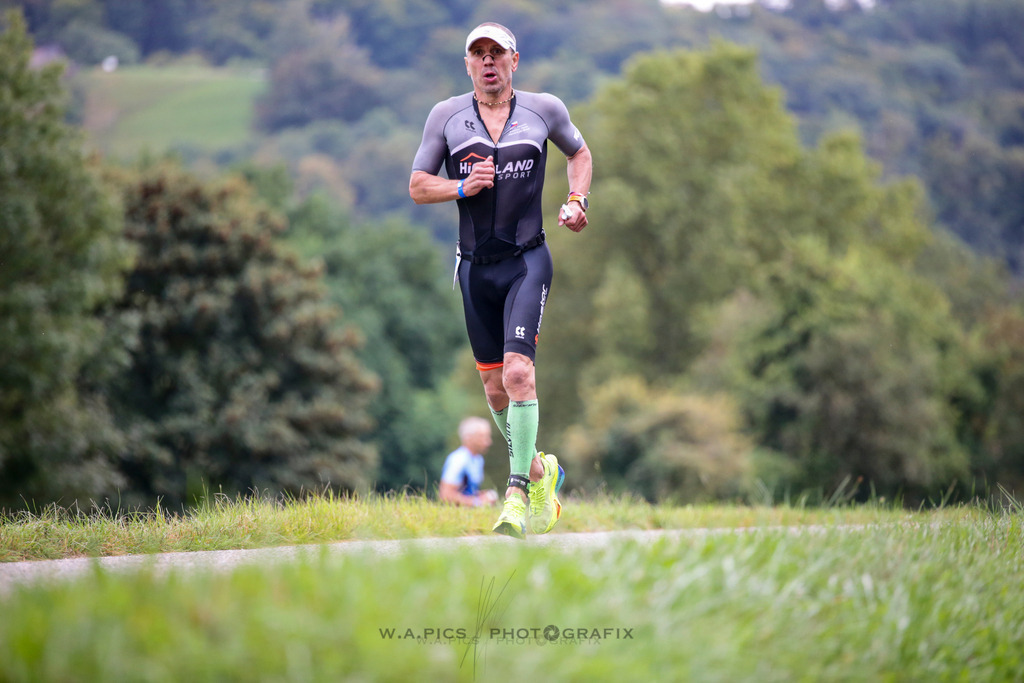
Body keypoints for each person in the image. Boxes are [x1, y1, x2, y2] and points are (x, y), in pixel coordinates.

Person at [410, 22, 592, 538]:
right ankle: (540, 472)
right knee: (494, 391)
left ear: (515, 60)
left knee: (518, 376)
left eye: (497, 53)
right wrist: (462, 187)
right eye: (478, 54)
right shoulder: (446, 116)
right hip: (473, 270)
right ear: (468, 64)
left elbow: (579, 153)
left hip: (526, 262)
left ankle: (515, 496)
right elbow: (418, 186)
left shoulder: (544, 109)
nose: (488, 61)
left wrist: (577, 200)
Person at [439, 417, 500, 507]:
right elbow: (446, 495)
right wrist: (478, 502)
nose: (488, 442)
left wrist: (483, 496)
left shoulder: (478, 459)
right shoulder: (458, 459)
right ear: (468, 437)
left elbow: (467, 491)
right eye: (482, 436)